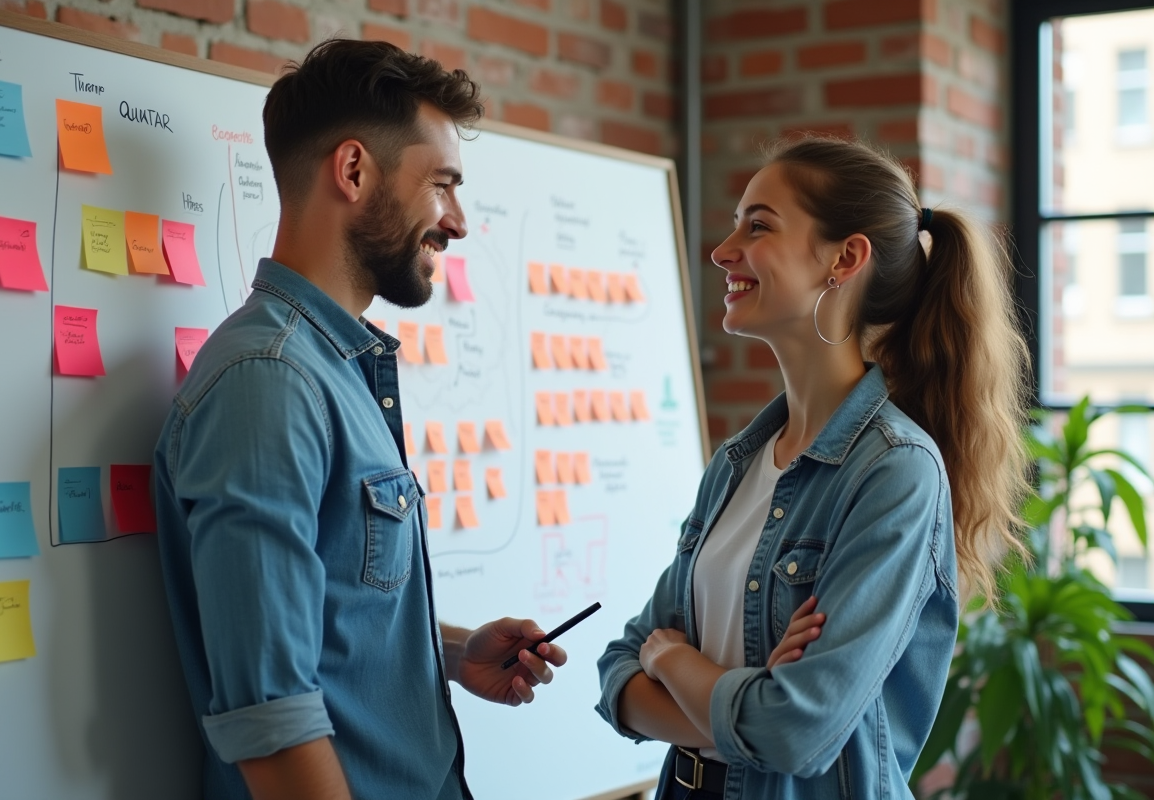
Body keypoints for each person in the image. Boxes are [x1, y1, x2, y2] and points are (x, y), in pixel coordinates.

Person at [154, 40, 565, 800]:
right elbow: (270, 718)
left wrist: (448, 649)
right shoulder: (269, 382)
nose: (459, 221)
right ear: (353, 171)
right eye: (441, 185)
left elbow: (325, 614)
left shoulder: (333, 368)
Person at [596, 136, 1030, 798]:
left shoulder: (895, 473)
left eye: (758, 224)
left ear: (845, 258)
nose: (723, 249)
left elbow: (796, 732)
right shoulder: (736, 464)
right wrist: (741, 704)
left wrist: (674, 660)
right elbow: (617, 671)